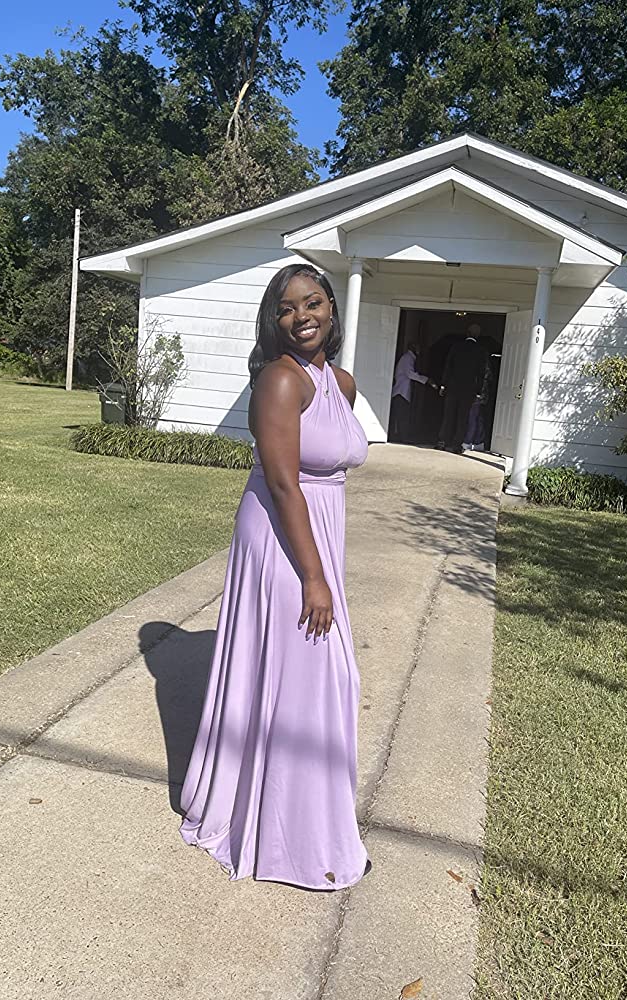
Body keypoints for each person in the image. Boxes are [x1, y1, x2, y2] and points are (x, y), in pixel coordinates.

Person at [179, 263, 371, 891]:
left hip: (318, 533)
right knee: (311, 676)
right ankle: (285, 837)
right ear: (274, 320)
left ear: (332, 308)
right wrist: (314, 577)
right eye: (287, 308)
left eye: (312, 302)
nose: (301, 316)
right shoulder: (279, 380)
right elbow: (286, 483)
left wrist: (324, 565)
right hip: (282, 537)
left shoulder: (339, 382)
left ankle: (312, 824)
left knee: (324, 678)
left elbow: (331, 468)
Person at [436, 323, 487, 454]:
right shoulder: (480, 351)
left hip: (452, 387)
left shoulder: (456, 347)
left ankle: (442, 442)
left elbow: (448, 366)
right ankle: (456, 445)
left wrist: (443, 385)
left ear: (467, 333)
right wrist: (478, 392)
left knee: (448, 415)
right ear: (478, 335)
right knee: (462, 418)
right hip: (468, 390)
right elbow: (480, 373)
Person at [389, 342, 437, 443]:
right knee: (403, 416)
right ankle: (403, 438)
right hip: (401, 392)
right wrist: (426, 380)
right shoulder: (407, 358)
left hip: (402, 392)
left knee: (402, 416)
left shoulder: (410, 358)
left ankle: (402, 437)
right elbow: (410, 374)